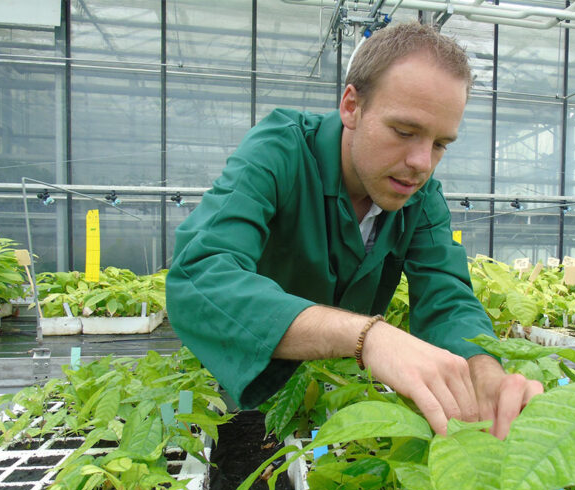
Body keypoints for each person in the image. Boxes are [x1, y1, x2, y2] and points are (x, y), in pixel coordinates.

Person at [166, 21, 543, 440]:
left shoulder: (421, 196)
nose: (422, 162)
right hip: (250, 377)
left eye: (440, 144)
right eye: (404, 131)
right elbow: (200, 276)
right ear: (351, 106)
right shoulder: (279, 151)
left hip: (340, 388)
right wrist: (370, 337)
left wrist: (484, 369)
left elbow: (446, 295)